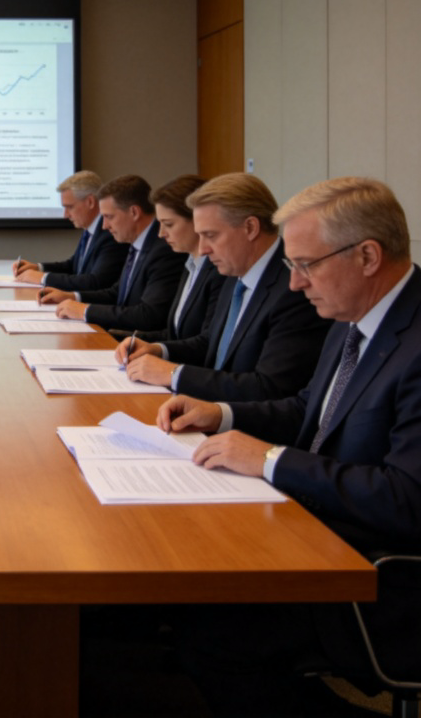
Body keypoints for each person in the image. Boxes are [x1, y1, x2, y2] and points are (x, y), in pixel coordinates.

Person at [155, 177, 421, 714]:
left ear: (368, 255)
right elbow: (309, 411)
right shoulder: (358, 316)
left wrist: (271, 460)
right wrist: (221, 413)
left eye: (306, 265)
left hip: (378, 577)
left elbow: (407, 499)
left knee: (209, 634)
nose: (294, 284)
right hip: (317, 534)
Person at [120, 172, 331, 400]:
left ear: (250, 228)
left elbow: (270, 387)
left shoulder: (294, 289)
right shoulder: (235, 270)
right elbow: (211, 341)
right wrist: (159, 349)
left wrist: (173, 374)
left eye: (211, 235)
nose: (203, 249)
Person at [39, 174, 186, 334]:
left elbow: (149, 315)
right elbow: (117, 293)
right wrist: (73, 297)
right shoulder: (137, 241)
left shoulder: (164, 250)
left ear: (134, 212)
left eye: (109, 217)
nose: (104, 226)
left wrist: (84, 311)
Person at [114, 174, 225, 347]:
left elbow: (205, 343)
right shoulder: (190, 264)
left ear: (196, 220)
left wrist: (160, 350)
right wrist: (134, 341)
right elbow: (175, 334)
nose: (161, 234)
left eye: (169, 224)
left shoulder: (219, 270)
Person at [11, 170, 128, 292]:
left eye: (69, 207)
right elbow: (73, 266)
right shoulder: (90, 228)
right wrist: (38, 267)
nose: (65, 215)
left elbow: (95, 282)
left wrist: (43, 278)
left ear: (90, 202)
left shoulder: (110, 233)